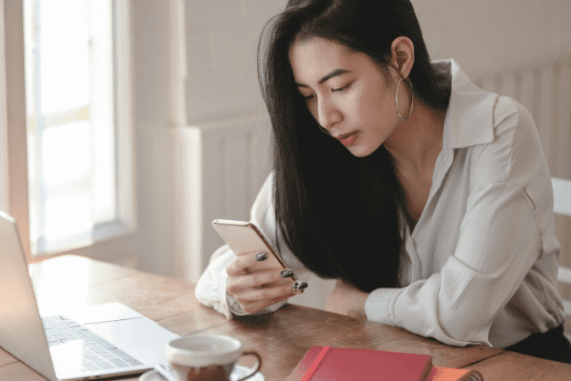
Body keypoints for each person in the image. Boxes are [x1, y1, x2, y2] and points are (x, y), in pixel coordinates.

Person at [194, 0, 571, 364]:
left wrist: (361, 303)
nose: (325, 117)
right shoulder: (336, 153)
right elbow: (224, 269)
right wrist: (236, 289)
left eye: (340, 87)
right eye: (308, 96)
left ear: (400, 59)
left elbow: (461, 312)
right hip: (395, 361)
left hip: (523, 364)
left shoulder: (498, 130)